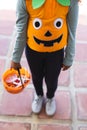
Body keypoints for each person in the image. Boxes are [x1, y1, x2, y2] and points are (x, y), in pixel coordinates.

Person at [10, 0, 79, 116]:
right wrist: (15, 58)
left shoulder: (70, 1)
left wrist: (70, 56)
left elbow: (72, 31)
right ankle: (39, 95)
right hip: (33, 51)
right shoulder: (25, 1)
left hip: (56, 53)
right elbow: (21, 30)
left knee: (52, 79)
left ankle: (50, 97)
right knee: (36, 77)